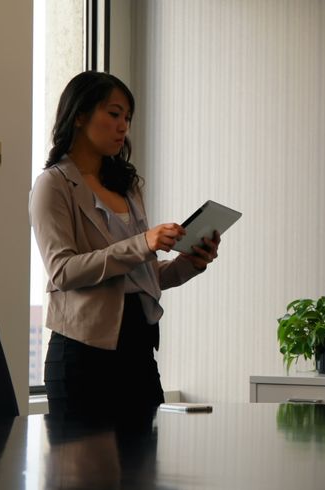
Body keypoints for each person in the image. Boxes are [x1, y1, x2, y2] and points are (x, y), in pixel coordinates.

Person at [29, 71, 220, 420]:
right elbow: (63, 271)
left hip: (138, 351)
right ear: (80, 115)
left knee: (144, 472)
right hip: (82, 355)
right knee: (88, 476)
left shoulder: (127, 187)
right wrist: (142, 243)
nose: (123, 127)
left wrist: (190, 262)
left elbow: (140, 276)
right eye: (114, 114)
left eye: (127, 118)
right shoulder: (52, 185)